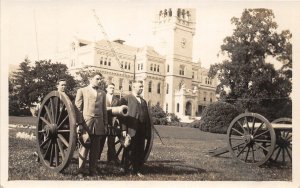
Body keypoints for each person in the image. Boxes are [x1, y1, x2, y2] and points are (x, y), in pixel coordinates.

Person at [75, 72, 108, 177]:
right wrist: (79, 123)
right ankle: (81, 171)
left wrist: (106, 124)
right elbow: (78, 109)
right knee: (84, 147)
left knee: (95, 149)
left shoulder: (102, 93)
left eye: (100, 79)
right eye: (97, 79)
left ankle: (92, 171)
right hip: (86, 123)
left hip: (98, 124)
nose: (99, 81)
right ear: (90, 79)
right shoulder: (82, 91)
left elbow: (104, 110)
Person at [120, 80, 151, 177]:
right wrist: (124, 129)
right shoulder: (126, 99)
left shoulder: (143, 101)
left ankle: (137, 170)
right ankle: (126, 169)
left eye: (142, 87)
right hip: (131, 129)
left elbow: (146, 117)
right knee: (129, 149)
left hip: (141, 129)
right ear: (133, 87)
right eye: (140, 86)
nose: (141, 88)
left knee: (139, 150)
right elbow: (122, 116)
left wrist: (147, 131)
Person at [103, 82, 121, 165]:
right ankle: (96, 158)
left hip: (113, 123)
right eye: (110, 87)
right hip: (103, 122)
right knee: (100, 142)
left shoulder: (117, 100)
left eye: (113, 88)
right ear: (106, 89)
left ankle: (111, 159)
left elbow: (119, 112)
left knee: (111, 142)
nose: (112, 89)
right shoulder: (102, 97)